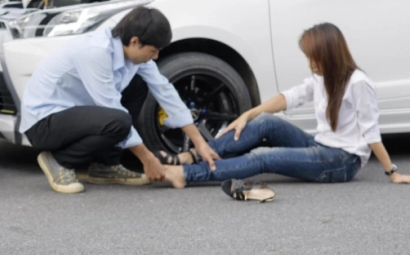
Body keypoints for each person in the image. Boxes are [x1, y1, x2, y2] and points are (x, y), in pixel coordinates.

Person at [164, 23, 410, 200]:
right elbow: (289, 98)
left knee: (263, 156)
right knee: (267, 122)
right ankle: (194, 155)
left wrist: (392, 172)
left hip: (342, 161)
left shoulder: (357, 83)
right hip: (321, 145)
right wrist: (246, 115)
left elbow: (371, 133)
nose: (310, 64)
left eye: (315, 58)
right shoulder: (322, 77)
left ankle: (187, 174)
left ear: (331, 56)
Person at [19, 6, 219, 194]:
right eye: (154, 50)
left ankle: (106, 166)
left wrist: (199, 142)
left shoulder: (133, 55)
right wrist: (147, 159)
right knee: (119, 120)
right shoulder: (95, 52)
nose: (156, 56)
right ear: (134, 41)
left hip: (75, 115)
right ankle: (59, 161)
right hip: (44, 122)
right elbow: (110, 106)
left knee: (139, 85)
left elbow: (164, 90)